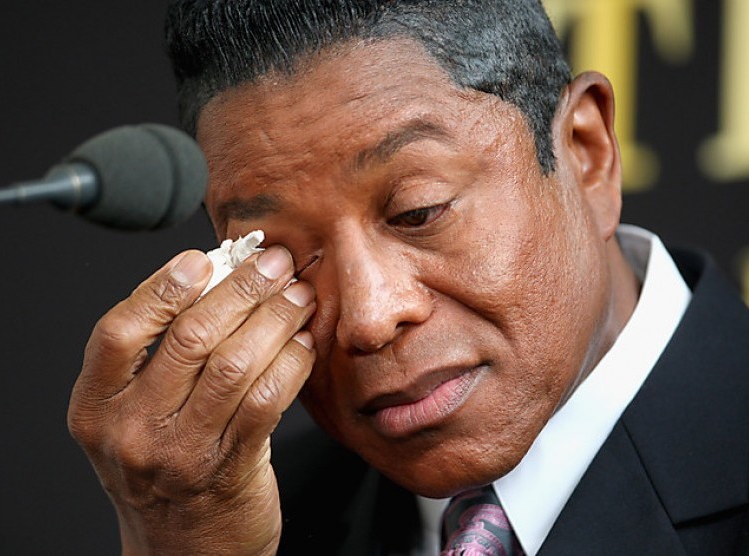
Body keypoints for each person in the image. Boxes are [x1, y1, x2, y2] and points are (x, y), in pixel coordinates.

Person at [68, 1, 749, 554]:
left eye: (417, 212)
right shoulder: (236, 528)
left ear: (585, 153)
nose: (368, 318)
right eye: (279, 255)